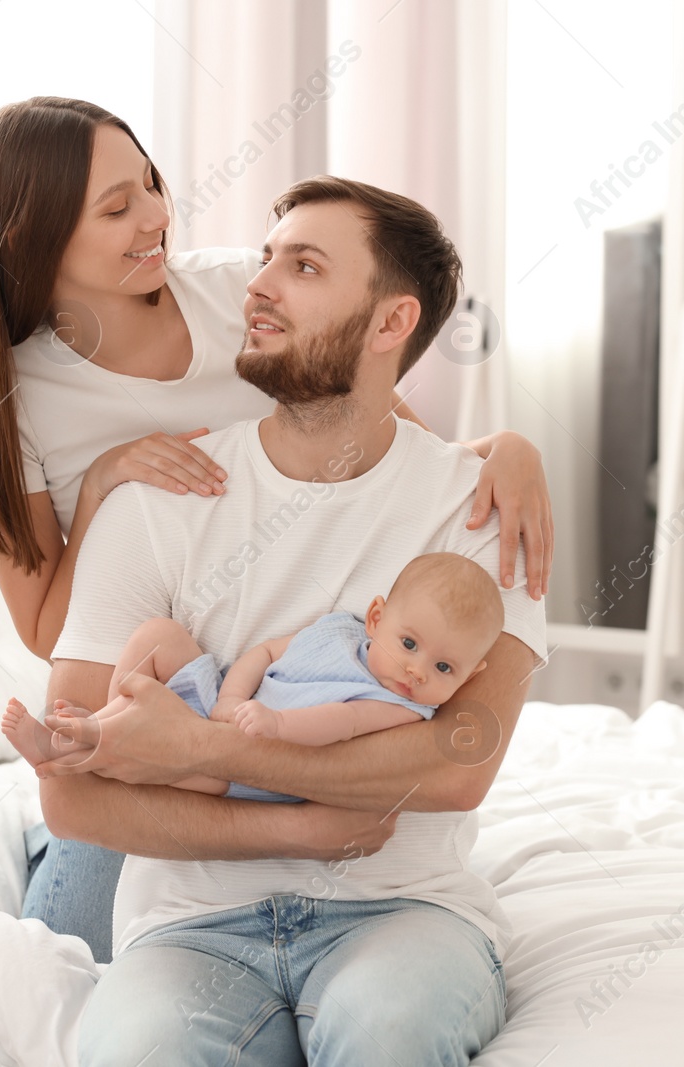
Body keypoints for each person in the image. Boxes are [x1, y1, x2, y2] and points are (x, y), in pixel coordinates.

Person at [0, 96, 556, 964]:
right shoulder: (3, 402)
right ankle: (32, 846)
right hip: (156, 719)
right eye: (116, 209)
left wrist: (506, 448)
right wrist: (111, 478)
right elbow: (48, 633)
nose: (156, 216)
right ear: (34, 239)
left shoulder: (238, 292)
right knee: (69, 954)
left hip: (282, 697)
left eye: (149, 182)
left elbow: (384, 431)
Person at [36, 175, 547, 1065]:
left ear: (392, 324)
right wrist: (297, 820)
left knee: (391, 1029)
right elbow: (71, 788)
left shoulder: (480, 507)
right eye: (266, 259)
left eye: (303, 266)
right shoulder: (158, 499)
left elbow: (459, 761)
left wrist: (203, 750)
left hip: (403, 911)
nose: (259, 285)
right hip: (190, 926)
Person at [1, 551, 504, 803]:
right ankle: (112, 720)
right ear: (376, 619)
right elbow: (265, 651)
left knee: (176, 771)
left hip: (249, 767)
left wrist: (276, 727)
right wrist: (232, 697)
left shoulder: (402, 706)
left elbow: (343, 723)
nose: (417, 672)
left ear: (469, 676)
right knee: (159, 636)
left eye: (444, 668)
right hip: (227, 706)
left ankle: (84, 744)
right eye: (409, 645)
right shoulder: (339, 631)